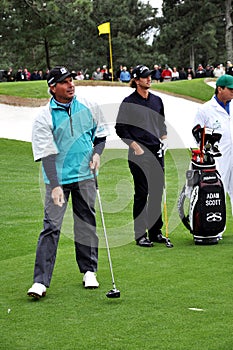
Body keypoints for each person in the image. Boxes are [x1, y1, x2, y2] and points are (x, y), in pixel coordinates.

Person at [27, 66, 109, 299]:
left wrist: (97, 153)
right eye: (64, 82)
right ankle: (40, 282)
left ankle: (89, 271)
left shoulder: (88, 106)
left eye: (71, 80)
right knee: (51, 228)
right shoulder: (44, 116)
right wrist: (54, 185)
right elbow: (46, 153)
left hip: (85, 176)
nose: (71, 84)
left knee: (85, 223)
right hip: (59, 179)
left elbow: (100, 136)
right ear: (53, 87)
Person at [115, 65, 168, 247]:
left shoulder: (157, 101)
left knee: (156, 192)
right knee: (142, 193)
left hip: (156, 151)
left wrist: (164, 139)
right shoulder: (128, 102)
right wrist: (135, 146)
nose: (149, 79)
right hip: (139, 153)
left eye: (149, 76)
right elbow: (120, 128)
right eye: (145, 77)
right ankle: (140, 235)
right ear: (136, 80)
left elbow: (161, 124)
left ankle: (155, 232)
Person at [193, 74, 233, 235]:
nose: (232, 92)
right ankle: (216, 228)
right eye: (230, 89)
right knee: (218, 191)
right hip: (219, 157)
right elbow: (197, 133)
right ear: (220, 89)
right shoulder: (205, 109)